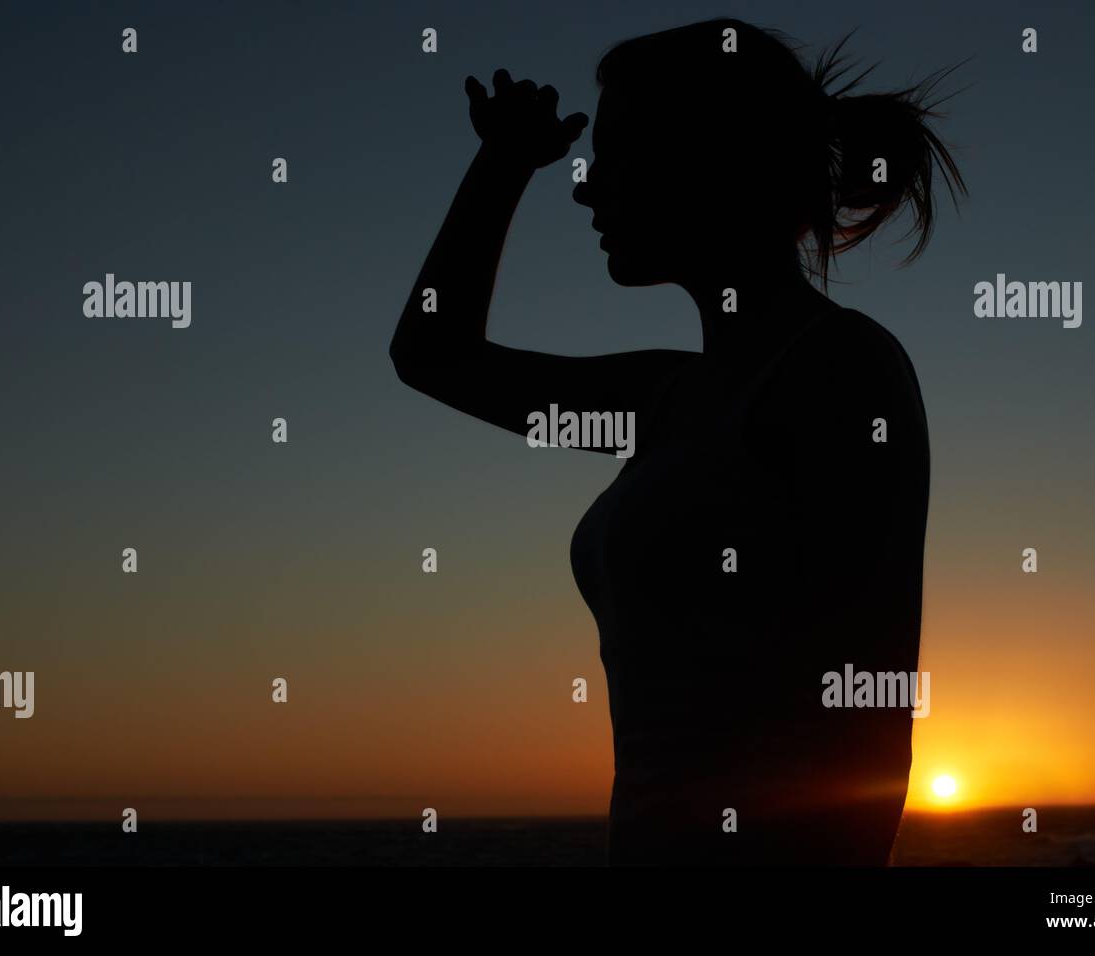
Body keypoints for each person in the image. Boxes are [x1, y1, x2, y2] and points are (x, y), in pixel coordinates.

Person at [390, 18, 965, 865]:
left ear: (709, 160)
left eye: (617, 152)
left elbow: (864, 725)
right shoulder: (663, 398)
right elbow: (433, 355)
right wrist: (504, 160)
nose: (587, 188)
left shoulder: (838, 370)